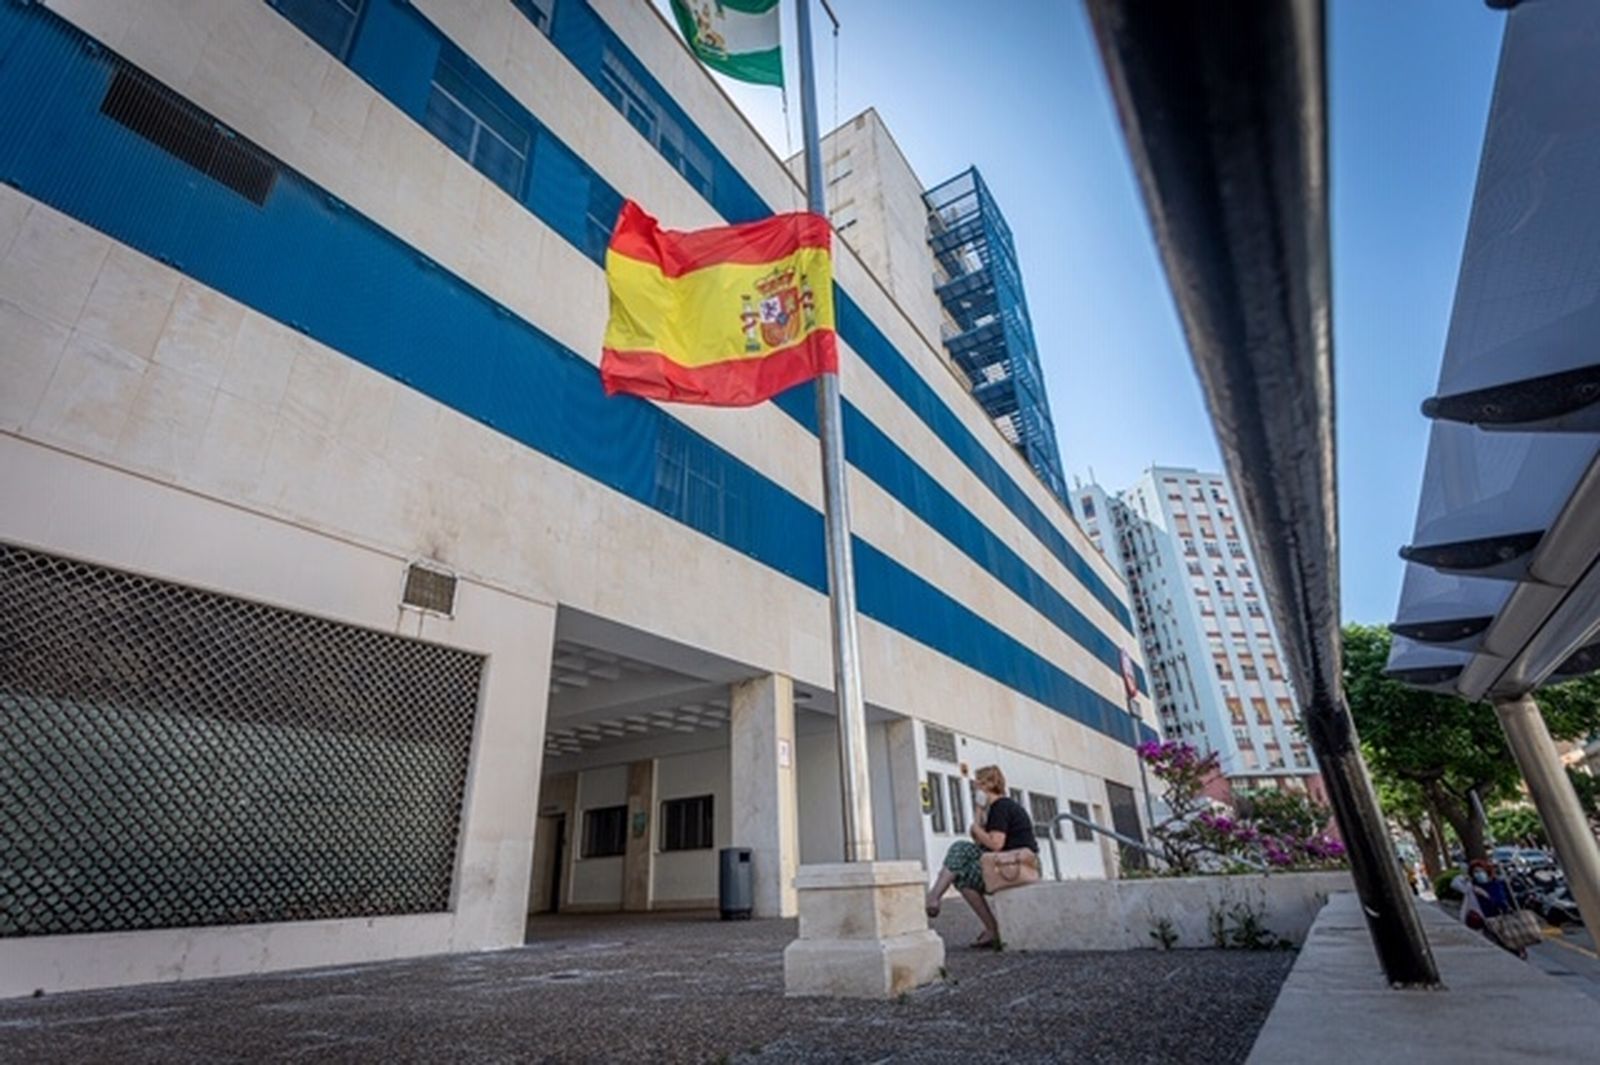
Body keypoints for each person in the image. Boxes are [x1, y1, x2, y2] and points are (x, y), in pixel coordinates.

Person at [923, 765, 1038, 949]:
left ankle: (934, 896)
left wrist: (976, 828)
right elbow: (979, 844)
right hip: (1004, 864)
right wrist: (978, 811)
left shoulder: (1001, 807)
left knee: (960, 853)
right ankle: (991, 929)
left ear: (990, 784)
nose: (975, 787)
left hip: (1016, 867)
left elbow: (995, 844)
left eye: (978, 784)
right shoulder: (993, 809)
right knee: (962, 874)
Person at [1454, 859, 1526, 959]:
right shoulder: (1471, 887)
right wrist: (1465, 877)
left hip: (1500, 922)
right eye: (1475, 872)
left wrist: (1487, 896)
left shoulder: (1496, 884)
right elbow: (1455, 883)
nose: (1478, 874)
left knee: (1508, 945)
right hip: (1484, 924)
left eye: (1481, 871)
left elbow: (1502, 902)